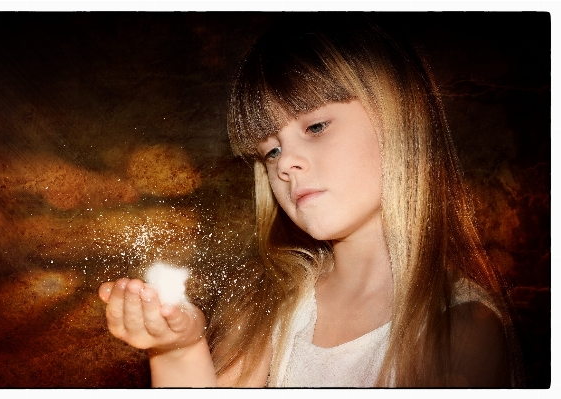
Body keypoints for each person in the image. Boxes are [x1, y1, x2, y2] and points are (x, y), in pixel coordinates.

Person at [98, 14, 522, 387]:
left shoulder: (463, 330)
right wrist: (179, 350)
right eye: (271, 151)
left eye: (315, 126)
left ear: (400, 118)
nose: (286, 165)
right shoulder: (269, 300)